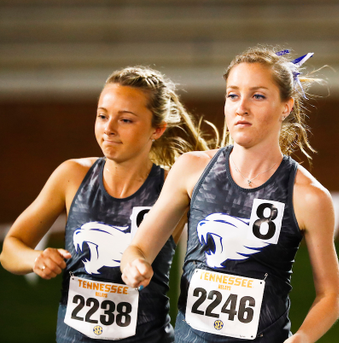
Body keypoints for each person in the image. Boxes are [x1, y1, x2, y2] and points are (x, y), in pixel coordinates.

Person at [120, 47, 339, 343]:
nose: (241, 107)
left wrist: (302, 338)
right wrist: (134, 266)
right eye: (233, 95)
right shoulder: (191, 170)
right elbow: (137, 249)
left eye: (258, 96)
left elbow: (330, 296)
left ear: (286, 107)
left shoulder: (308, 196)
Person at [0, 66, 212, 342]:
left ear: (157, 129)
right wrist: (35, 258)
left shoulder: (175, 186)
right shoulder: (72, 176)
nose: (109, 128)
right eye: (102, 115)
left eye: (125, 120)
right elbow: (10, 248)